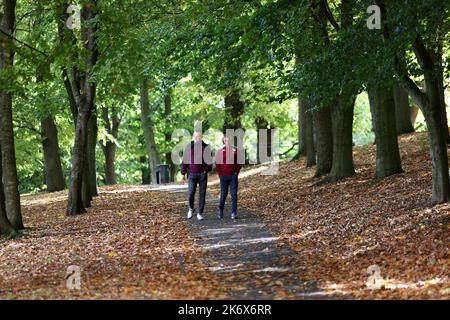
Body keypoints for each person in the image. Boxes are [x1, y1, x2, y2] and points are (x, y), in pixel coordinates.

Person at [181, 131, 212, 221]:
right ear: (193, 137)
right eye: (195, 136)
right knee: (191, 193)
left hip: (202, 174)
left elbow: (209, 161)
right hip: (191, 174)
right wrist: (183, 173)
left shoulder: (206, 147)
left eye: (198, 136)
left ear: (201, 137)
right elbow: (185, 160)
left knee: (202, 194)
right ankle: (191, 208)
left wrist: (206, 171)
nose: (196, 138)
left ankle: (200, 213)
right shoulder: (189, 147)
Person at [215, 135, 242, 219]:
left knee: (234, 194)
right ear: (224, 141)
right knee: (223, 194)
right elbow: (217, 164)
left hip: (233, 176)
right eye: (226, 140)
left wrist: (236, 173)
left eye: (229, 140)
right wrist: (220, 175)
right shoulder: (220, 151)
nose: (227, 142)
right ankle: (220, 209)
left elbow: (239, 163)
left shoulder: (235, 150)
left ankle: (234, 212)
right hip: (223, 176)